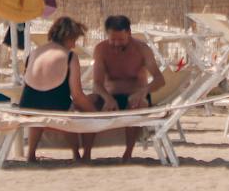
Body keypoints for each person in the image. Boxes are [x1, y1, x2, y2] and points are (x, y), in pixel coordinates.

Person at [91, 14, 167, 160]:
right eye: (112, 39)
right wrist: (107, 98)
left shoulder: (142, 49)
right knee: (87, 101)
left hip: (136, 95)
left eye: (121, 39)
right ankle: (86, 153)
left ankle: (128, 152)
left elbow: (159, 79)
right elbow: (97, 83)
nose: (117, 43)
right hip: (110, 95)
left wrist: (143, 92)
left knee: (136, 105)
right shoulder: (101, 49)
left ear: (129, 33)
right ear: (107, 35)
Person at [21, 16, 95, 162]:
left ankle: (31, 154)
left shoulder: (34, 53)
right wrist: (94, 111)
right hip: (56, 108)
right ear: (68, 37)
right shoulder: (69, 56)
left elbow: (28, 82)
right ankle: (79, 155)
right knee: (75, 111)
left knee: (39, 110)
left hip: (27, 107)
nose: (74, 45)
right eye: (74, 40)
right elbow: (77, 95)